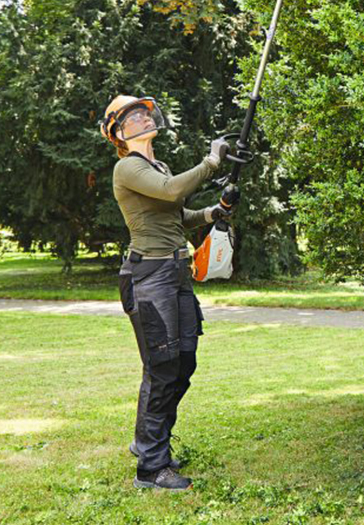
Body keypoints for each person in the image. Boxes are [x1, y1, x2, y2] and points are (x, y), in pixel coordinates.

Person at [100, 95, 232, 490]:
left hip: (176, 272)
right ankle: (152, 469)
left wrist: (215, 211)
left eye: (144, 113)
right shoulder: (127, 167)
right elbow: (174, 192)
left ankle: (147, 444)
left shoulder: (158, 167)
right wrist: (211, 162)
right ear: (118, 133)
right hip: (149, 277)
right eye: (132, 116)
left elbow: (178, 215)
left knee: (183, 363)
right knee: (162, 369)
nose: (142, 118)